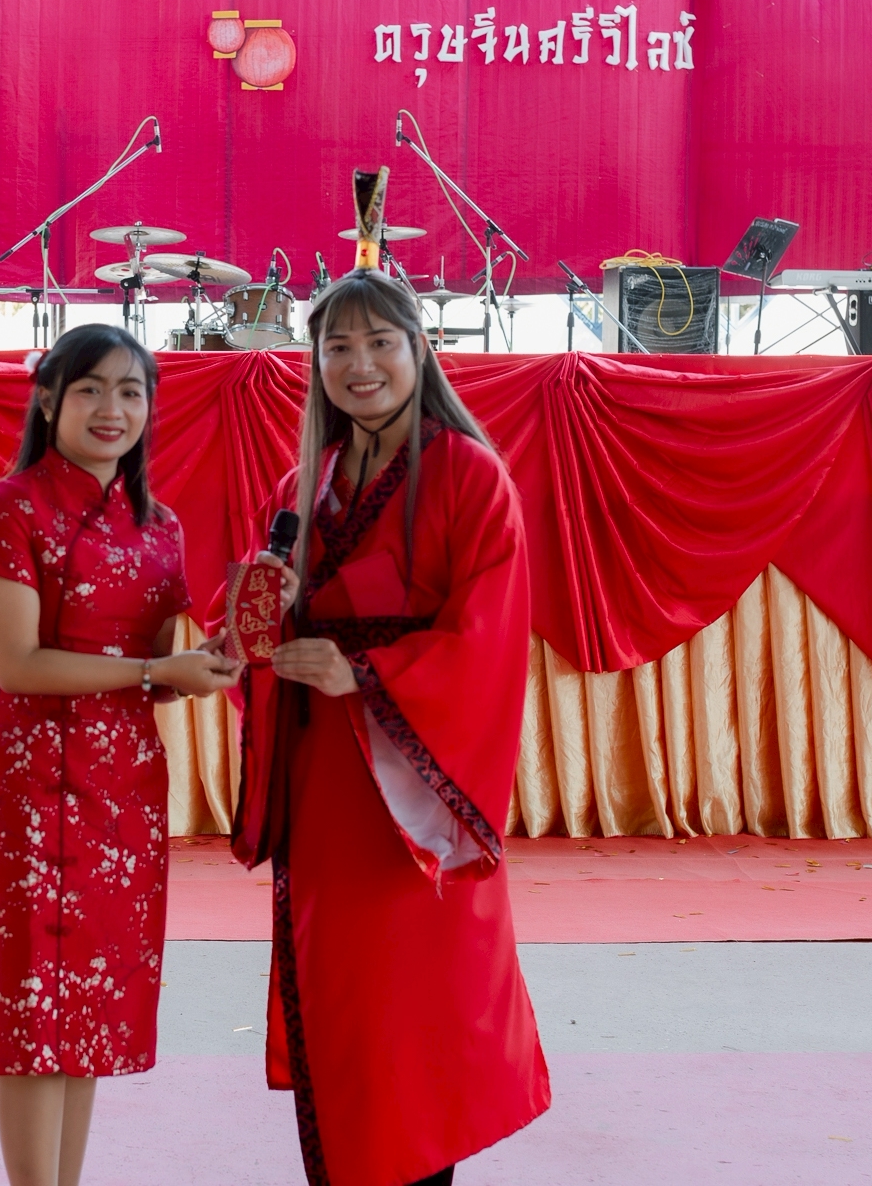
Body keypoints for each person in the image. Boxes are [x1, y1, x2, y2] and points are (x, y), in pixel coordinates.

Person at [230, 270, 549, 1186]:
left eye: (380, 343)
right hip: (323, 787)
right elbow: (254, 623)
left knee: (417, 1024)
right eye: (338, 346)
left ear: (419, 348)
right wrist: (256, 617)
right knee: (344, 1017)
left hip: (414, 798)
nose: (359, 364)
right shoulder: (305, 483)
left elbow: (487, 639)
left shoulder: (470, 476)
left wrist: (363, 673)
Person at [0, 325, 242, 1186]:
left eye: (131, 391)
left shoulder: (161, 526)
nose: (111, 408)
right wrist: (158, 670)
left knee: (85, 1005)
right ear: (48, 399)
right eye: (89, 389)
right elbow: (19, 663)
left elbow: (154, 678)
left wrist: (211, 661)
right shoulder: (9, 506)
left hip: (123, 783)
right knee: (32, 1007)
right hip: (30, 776)